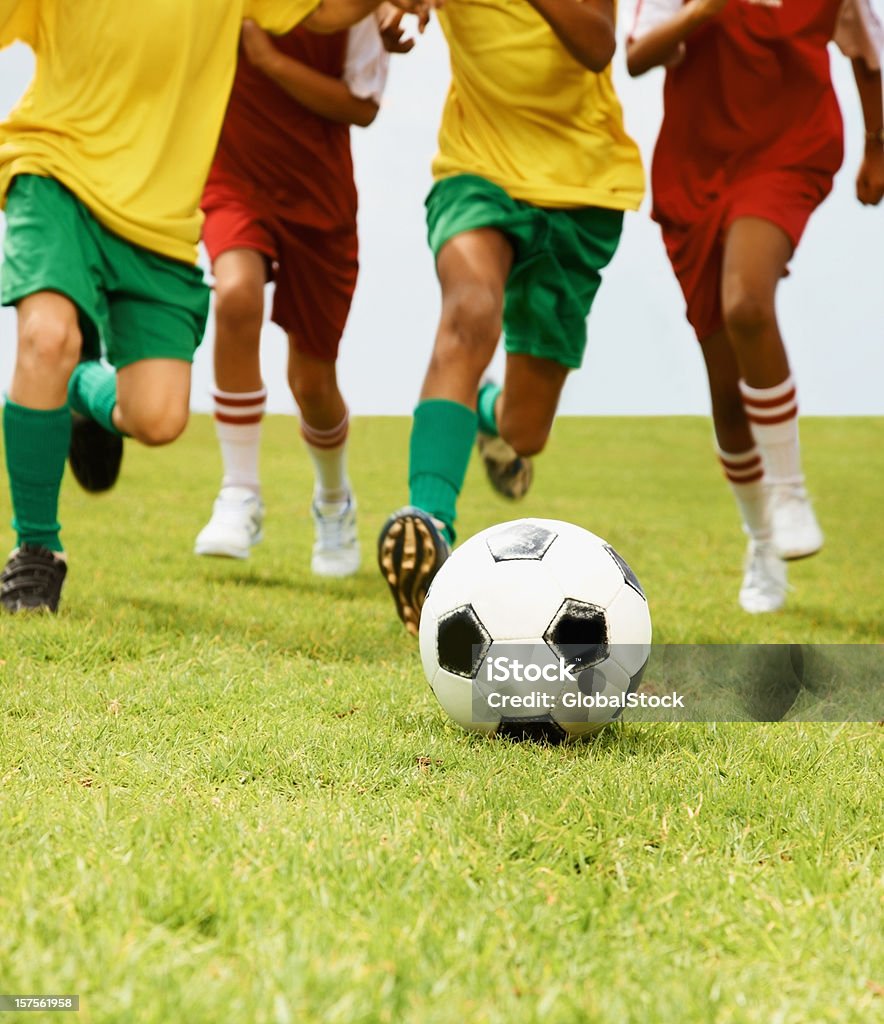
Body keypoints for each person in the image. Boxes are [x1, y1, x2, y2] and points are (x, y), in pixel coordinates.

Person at [0, 0, 422, 613]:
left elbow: (327, 14)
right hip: (55, 167)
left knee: (158, 418)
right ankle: (35, 553)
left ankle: (76, 386)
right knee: (46, 336)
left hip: (158, 218)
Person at [377, 0, 645, 634]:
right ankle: (432, 524)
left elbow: (597, 42)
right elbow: (396, 13)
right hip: (479, 171)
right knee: (469, 311)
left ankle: (488, 413)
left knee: (527, 432)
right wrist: (395, 18)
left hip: (581, 189)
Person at [627, 0, 884, 612]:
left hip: (788, 153)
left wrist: (877, 144)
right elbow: (638, 56)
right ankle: (761, 539)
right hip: (693, 171)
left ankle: (790, 492)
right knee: (724, 383)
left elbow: (867, 55)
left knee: (746, 302)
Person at [193, 16, 391, 576]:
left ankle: (334, 501)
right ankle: (239, 493)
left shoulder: (354, 11)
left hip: (318, 199)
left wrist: (271, 61)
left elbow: (363, 105)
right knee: (234, 294)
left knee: (312, 381)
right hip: (234, 177)